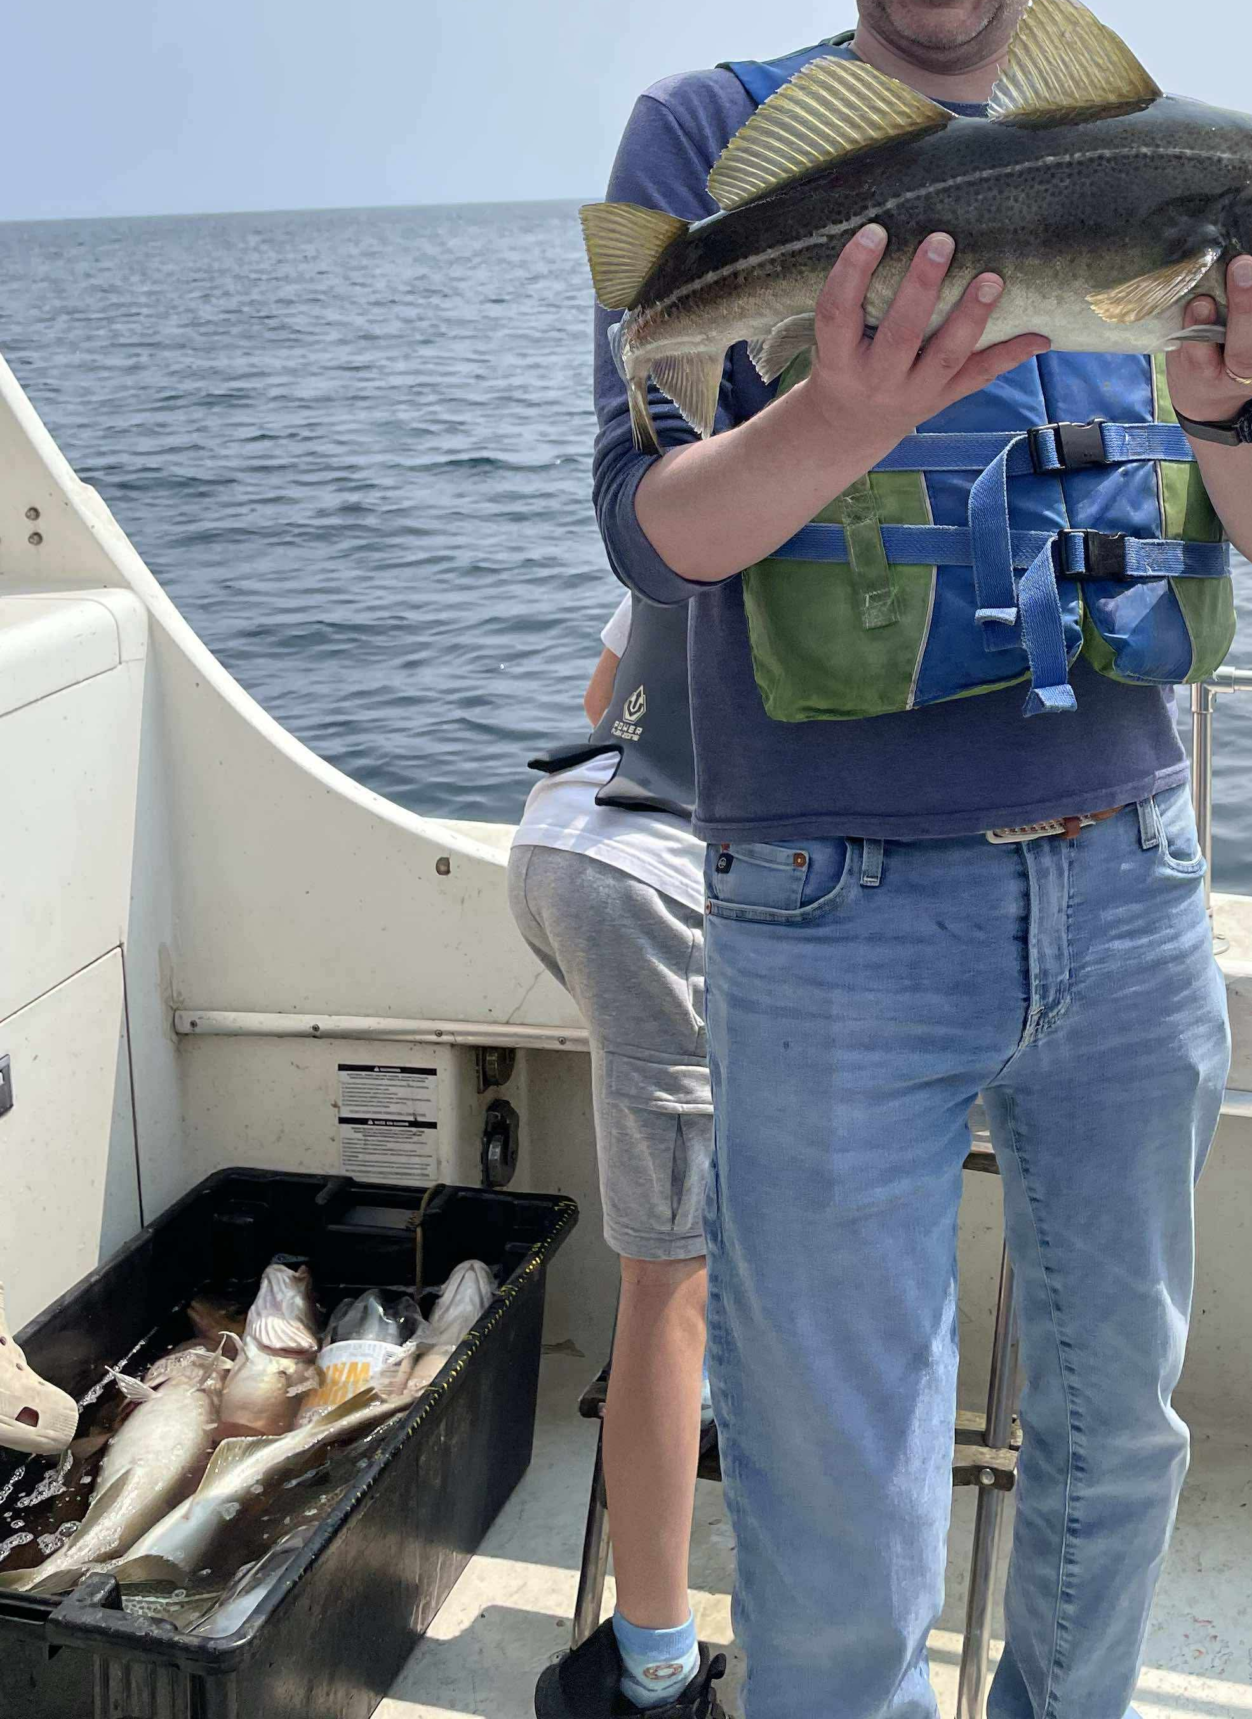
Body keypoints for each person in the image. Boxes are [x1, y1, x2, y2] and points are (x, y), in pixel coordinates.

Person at [591, 0, 1252, 1719]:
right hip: (829, 909)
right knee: (838, 1485)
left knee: (1122, 1433)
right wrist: (845, 411)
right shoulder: (714, 142)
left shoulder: (1185, 167)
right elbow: (664, 531)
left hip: (1132, 889)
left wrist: (1234, 406)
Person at [511, 595, 726, 1718]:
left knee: (700, 1203)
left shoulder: (725, 483)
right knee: (670, 1274)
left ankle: (717, 1385)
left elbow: (608, 699)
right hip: (657, 890)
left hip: (560, 840)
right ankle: (653, 1671)